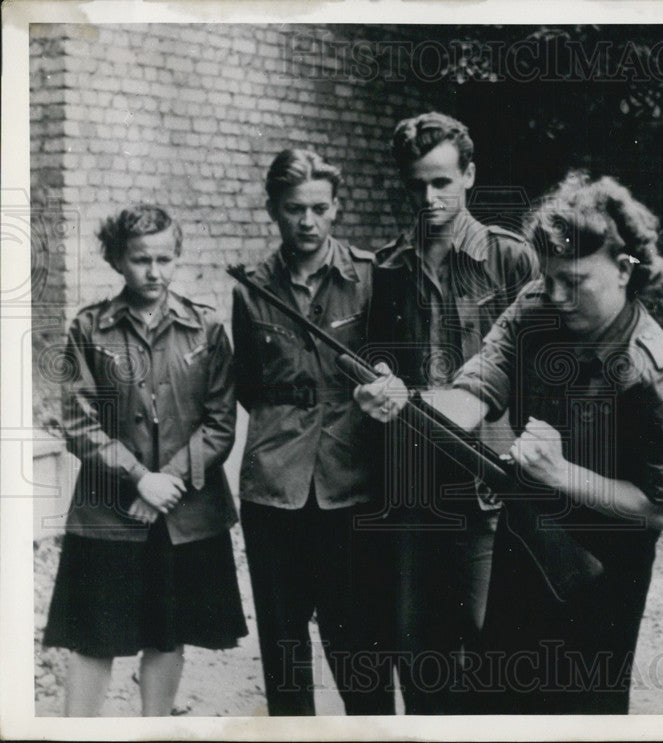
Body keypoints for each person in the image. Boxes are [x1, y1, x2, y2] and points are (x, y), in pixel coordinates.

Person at [358, 172, 663, 714]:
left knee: (579, 712)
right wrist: (408, 401)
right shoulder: (538, 304)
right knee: (500, 698)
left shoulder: (650, 370)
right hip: (525, 541)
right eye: (550, 278)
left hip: (601, 566)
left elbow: (659, 510)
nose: (558, 297)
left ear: (623, 269)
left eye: (575, 281)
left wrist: (563, 474)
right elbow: (473, 393)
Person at [357, 112, 538, 713]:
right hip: (413, 486)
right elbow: (379, 363)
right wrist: (379, 384)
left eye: (441, 182)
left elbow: (541, 369)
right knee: (418, 645)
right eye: (416, 185)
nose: (429, 199)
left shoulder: (511, 261)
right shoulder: (387, 268)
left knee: (492, 641)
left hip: (491, 482)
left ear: (470, 176)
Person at [43, 204, 247, 716]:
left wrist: (167, 483)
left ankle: (154, 725)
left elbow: (221, 421)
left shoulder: (206, 327)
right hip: (108, 514)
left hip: (184, 510)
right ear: (117, 261)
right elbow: (77, 417)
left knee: (168, 629)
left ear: (177, 257)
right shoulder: (89, 328)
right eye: (140, 260)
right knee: (95, 636)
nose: (154, 272)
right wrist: (138, 480)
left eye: (164, 259)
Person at [231, 149, 394, 716]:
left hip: (350, 483)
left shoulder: (370, 278)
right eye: (294, 208)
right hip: (274, 486)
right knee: (284, 649)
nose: (308, 221)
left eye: (320, 208)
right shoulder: (250, 288)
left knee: (360, 647)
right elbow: (251, 383)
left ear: (336, 208)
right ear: (273, 209)